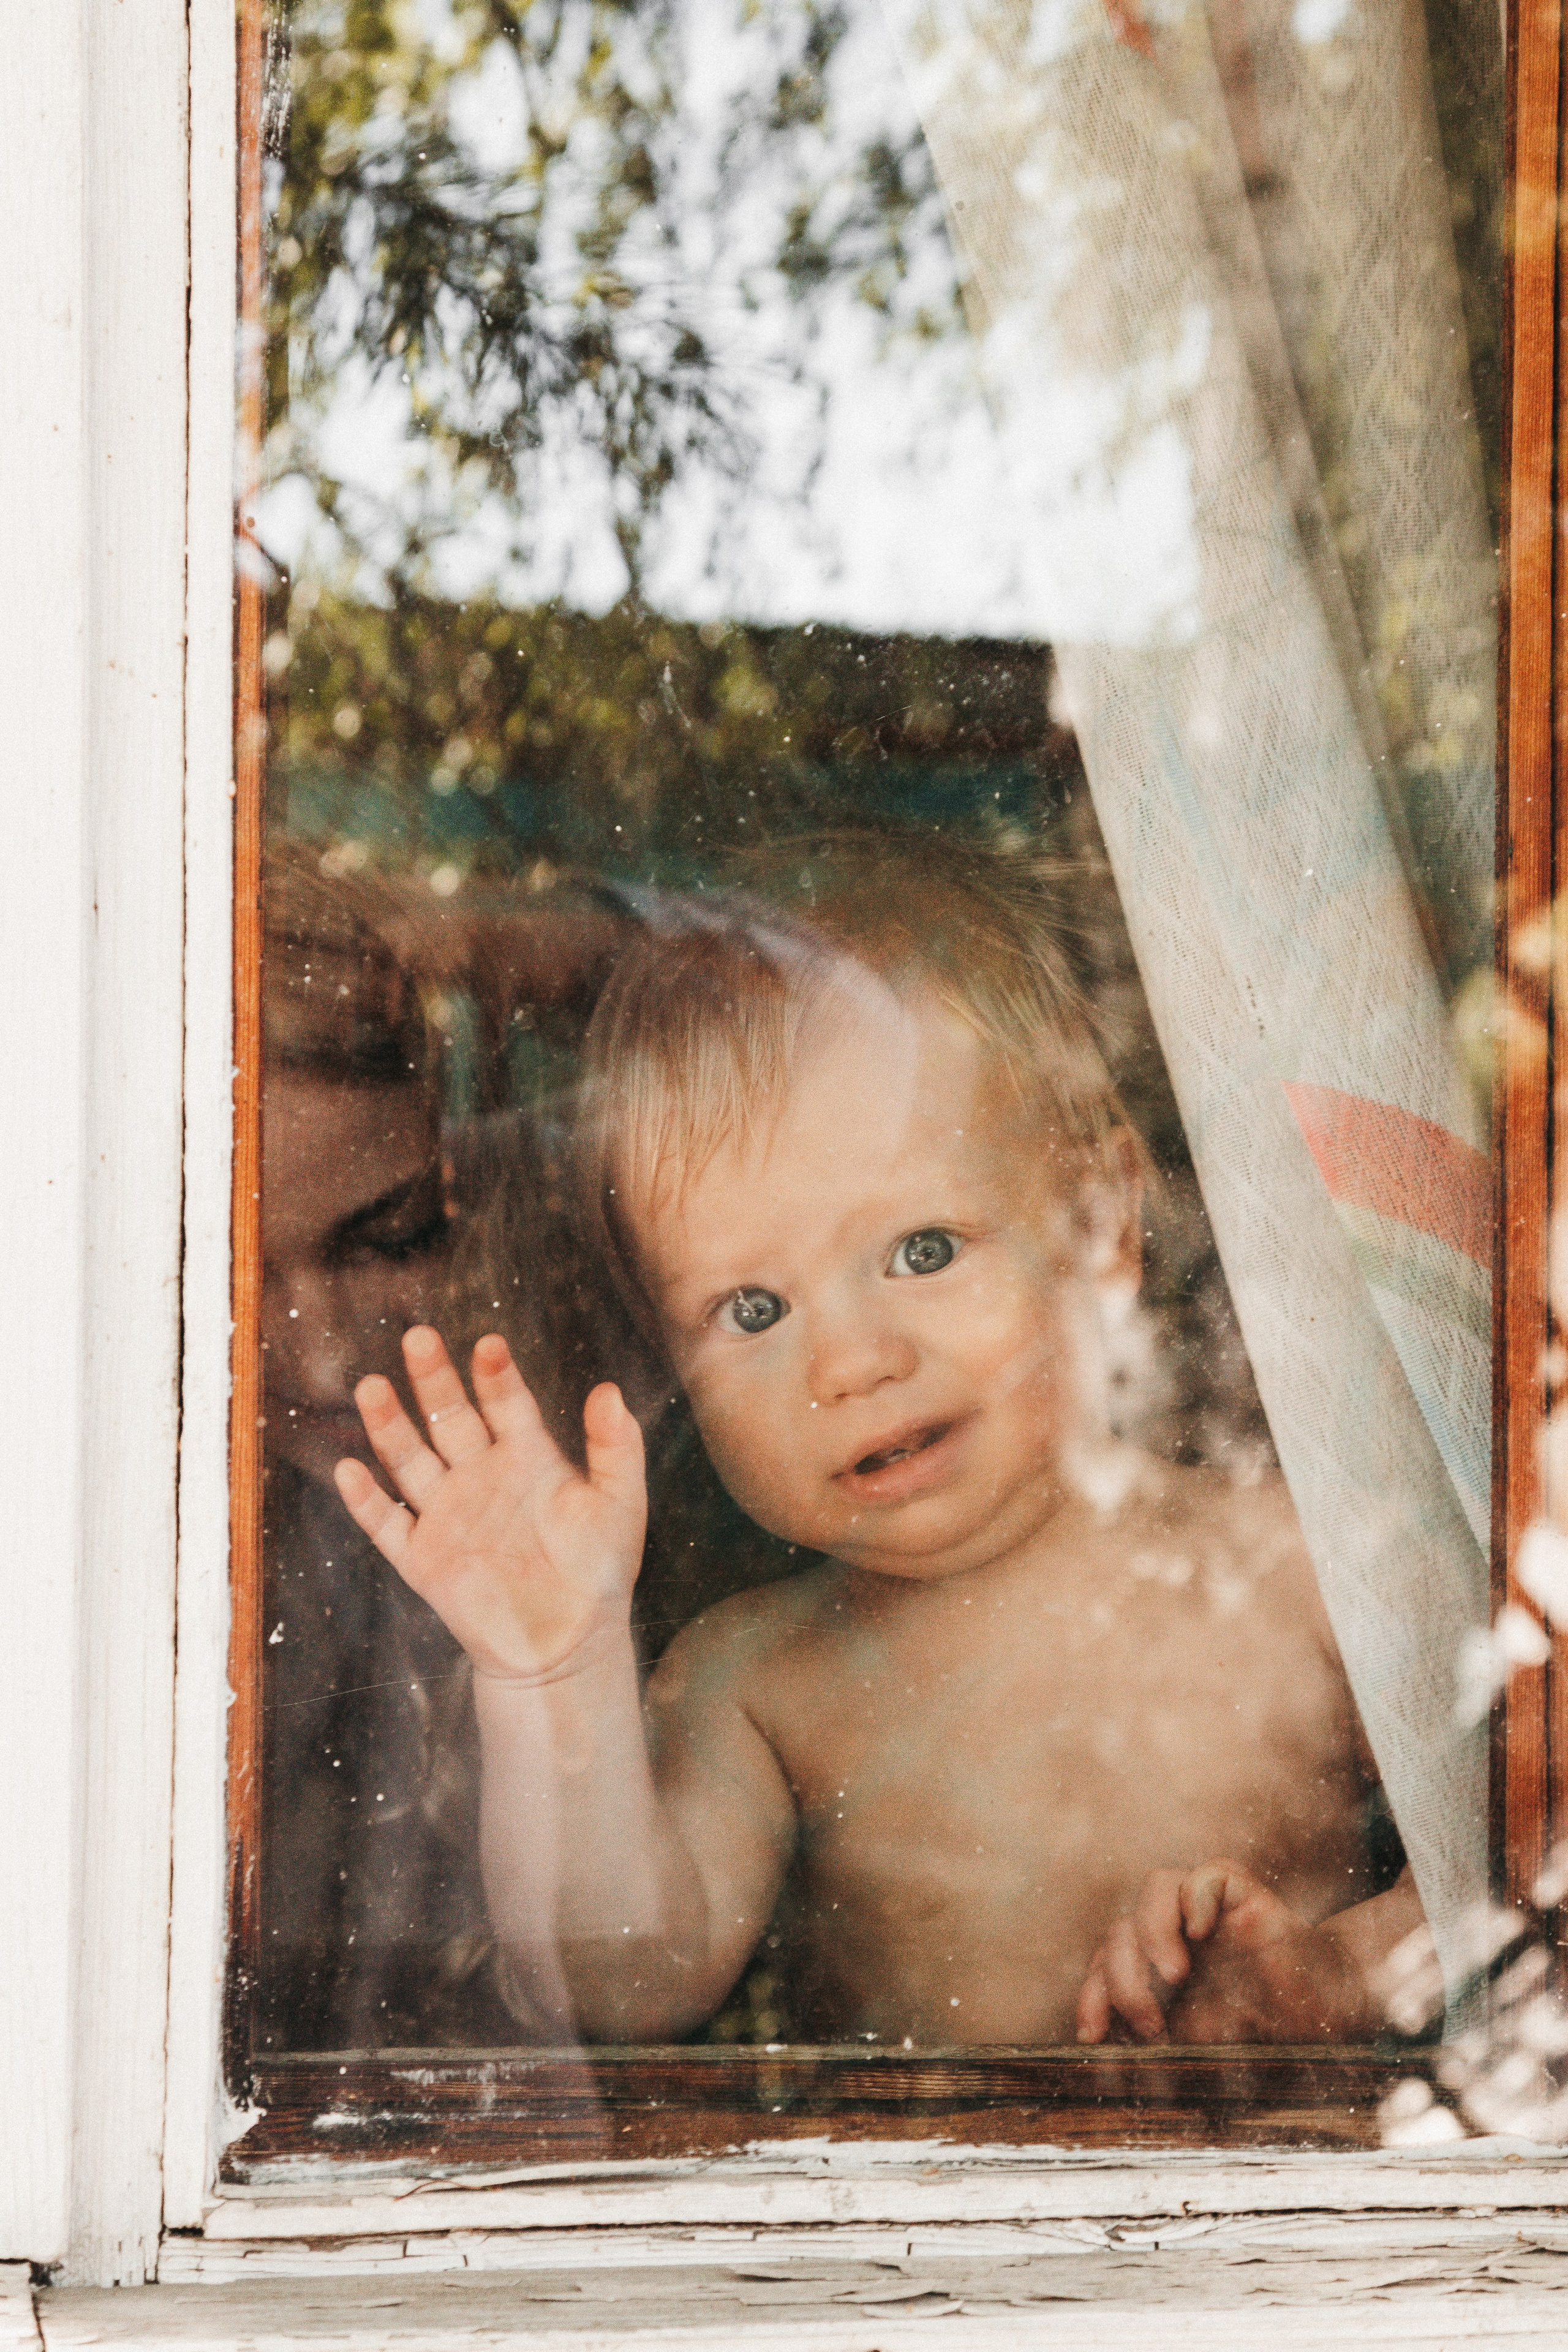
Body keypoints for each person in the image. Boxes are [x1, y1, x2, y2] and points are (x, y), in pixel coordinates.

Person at [334, 831, 1423, 2046]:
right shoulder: (758, 1681)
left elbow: (1526, 1866)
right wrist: (552, 1672)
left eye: (922, 1249)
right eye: (751, 1311)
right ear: (666, 1363)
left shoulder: (1292, 1569)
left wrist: (1333, 1977)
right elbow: (618, 1988)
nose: (850, 1362)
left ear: (1094, 1216)